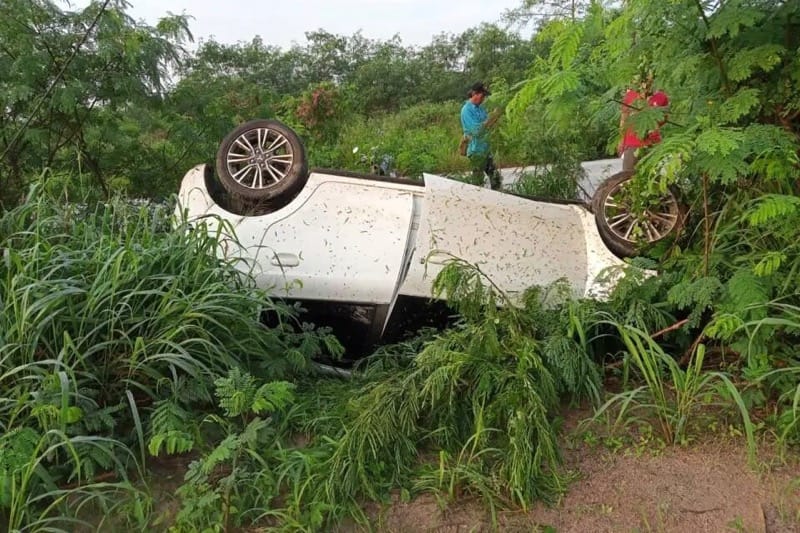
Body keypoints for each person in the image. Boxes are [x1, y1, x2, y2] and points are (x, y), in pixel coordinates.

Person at [618, 74, 669, 172]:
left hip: (653, 144)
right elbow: (624, 119)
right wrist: (621, 140)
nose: (648, 82)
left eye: (650, 78)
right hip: (632, 144)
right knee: (628, 177)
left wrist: (652, 126)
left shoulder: (662, 97)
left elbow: (664, 119)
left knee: (654, 177)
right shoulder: (630, 96)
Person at [460, 82, 502, 190]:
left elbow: (488, 125)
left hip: (485, 149)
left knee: (495, 179)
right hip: (475, 151)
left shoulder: (480, 109)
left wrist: (495, 117)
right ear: (474, 93)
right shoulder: (466, 110)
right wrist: (490, 119)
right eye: (482, 96)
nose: (483, 99)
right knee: (478, 181)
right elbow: (476, 131)